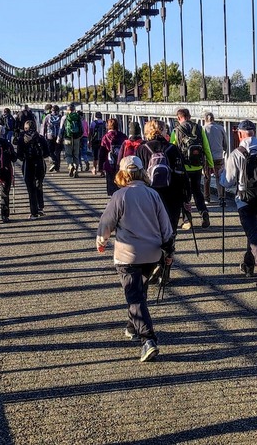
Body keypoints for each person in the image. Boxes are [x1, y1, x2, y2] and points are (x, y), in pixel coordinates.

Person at [96, 155, 175, 363]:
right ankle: (132, 326)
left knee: (134, 297)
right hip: (153, 253)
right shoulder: (153, 194)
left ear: (122, 174)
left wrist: (101, 241)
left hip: (127, 254)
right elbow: (166, 226)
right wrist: (169, 250)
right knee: (140, 291)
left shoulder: (119, 196)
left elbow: (107, 223)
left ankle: (148, 340)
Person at [218, 119, 257, 289]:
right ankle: (248, 264)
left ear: (240, 134)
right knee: (253, 233)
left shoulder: (236, 154)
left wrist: (220, 176)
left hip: (244, 200)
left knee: (253, 236)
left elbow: (227, 182)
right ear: (254, 133)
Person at [136, 119, 190, 231]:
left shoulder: (141, 149)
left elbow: (137, 173)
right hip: (173, 192)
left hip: (149, 192)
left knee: (152, 226)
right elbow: (182, 173)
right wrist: (186, 197)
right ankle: (170, 245)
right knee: (171, 225)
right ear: (163, 131)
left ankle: (155, 246)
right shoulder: (172, 148)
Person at [171, 108, 213, 228]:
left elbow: (172, 149)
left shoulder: (176, 130)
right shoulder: (199, 128)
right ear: (189, 116)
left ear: (179, 118)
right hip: (197, 166)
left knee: (185, 193)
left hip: (183, 167)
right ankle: (204, 213)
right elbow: (206, 147)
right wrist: (210, 165)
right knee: (197, 192)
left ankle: (187, 219)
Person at [15, 120, 50, 217]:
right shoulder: (40, 138)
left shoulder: (22, 138)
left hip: (28, 163)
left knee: (30, 188)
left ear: (25, 128)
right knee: (39, 184)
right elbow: (47, 153)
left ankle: (34, 212)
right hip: (39, 163)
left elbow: (19, 155)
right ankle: (40, 207)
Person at [202, 113, 227, 204]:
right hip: (219, 156)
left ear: (205, 119)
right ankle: (221, 197)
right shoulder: (220, 128)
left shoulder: (203, 129)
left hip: (207, 157)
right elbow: (225, 144)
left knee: (206, 177)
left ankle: (206, 198)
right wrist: (224, 149)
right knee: (219, 176)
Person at [100, 118, 127, 196]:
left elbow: (102, 153)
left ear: (108, 126)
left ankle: (114, 200)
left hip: (109, 164)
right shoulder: (123, 136)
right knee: (121, 183)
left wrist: (101, 167)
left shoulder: (105, 137)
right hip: (121, 164)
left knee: (111, 184)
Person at [59, 103, 86, 177]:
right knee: (76, 155)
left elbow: (61, 129)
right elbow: (82, 129)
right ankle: (76, 171)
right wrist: (79, 137)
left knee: (68, 154)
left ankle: (70, 166)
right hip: (76, 138)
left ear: (67, 110)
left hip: (67, 138)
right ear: (74, 110)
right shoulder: (78, 117)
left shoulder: (64, 117)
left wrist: (59, 138)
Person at [41, 104, 63, 172]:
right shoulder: (61, 117)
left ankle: (54, 161)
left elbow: (43, 127)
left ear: (51, 110)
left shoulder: (47, 117)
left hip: (49, 136)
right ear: (58, 111)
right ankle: (57, 167)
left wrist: (42, 136)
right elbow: (63, 128)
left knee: (50, 151)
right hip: (58, 137)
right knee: (58, 152)